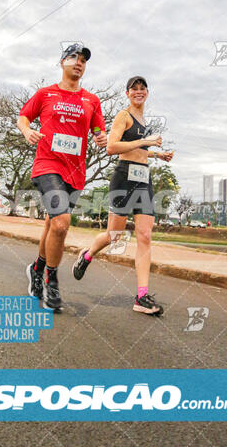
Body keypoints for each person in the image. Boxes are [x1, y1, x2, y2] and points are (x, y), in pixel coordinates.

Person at [72, 76, 174, 315]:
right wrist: (145, 140)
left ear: (147, 92)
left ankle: (141, 297)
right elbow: (111, 147)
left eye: (142, 88)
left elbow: (139, 151)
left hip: (144, 179)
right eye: (133, 89)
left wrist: (158, 155)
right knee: (114, 236)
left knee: (145, 236)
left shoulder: (144, 121)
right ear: (128, 93)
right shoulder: (123, 116)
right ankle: (87, 255)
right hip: (124, 177)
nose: (138, 92)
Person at [18, 43, 107, 311]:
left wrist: (101, 137)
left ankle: (36, 268)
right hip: (47, 164)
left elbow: (98, 131)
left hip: (76, 172)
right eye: (73, 58)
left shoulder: (92, 100)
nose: (78, 63)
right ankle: (51, 281)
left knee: (51, 224)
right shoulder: (45, 94)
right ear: (62, 63)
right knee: (61, 224)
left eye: (83, 60)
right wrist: (26, 131)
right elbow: (23, 117)